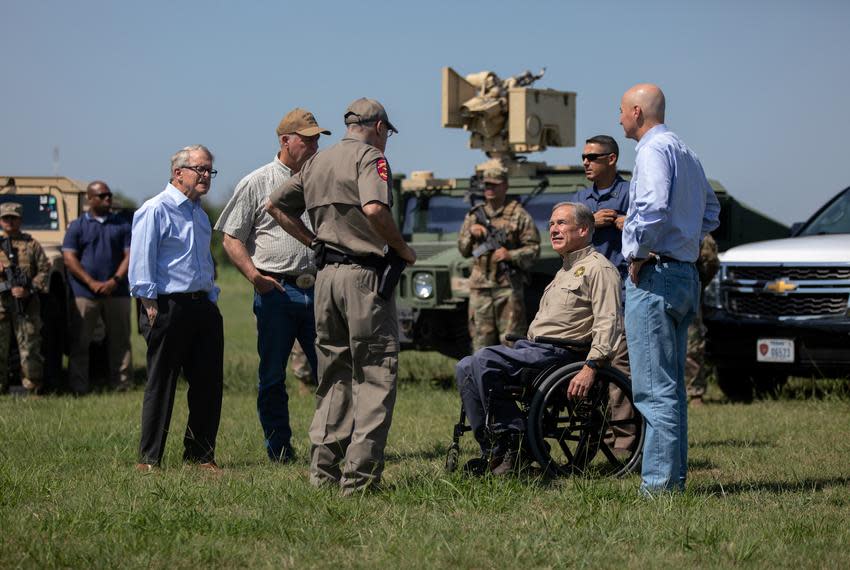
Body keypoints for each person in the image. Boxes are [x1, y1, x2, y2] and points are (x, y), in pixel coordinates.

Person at [267, 97, 416, 495]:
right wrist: (401, 249)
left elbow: (275, 205)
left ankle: (323, 476)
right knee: (375, 376)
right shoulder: (370, 158)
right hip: (363, 279)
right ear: (380, 127)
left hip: (326, 278)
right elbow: (373, 208)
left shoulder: (317, 161)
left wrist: (313, 241)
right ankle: (359, 483)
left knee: (333, 378)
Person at [456, 202, 624, 475]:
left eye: (561, 224)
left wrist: (591, 366)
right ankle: (495, 450)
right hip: (537, 350)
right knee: (465, 366)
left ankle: (517, 440)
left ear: (583, 229)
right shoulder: (564, 271)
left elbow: (609, 321)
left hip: (562, 356)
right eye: (551, 225)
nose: (554, 230)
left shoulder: (599, 269)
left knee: (485, 359)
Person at [619, 83, 720, 495]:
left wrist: (640, 250)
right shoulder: (686, 151)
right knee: (673, 387)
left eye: (622, 110)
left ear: (639, 112)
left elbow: (655, 205)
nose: (620, 118)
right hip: (685, 274)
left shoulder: (651, 150)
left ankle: (658, 487)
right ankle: (672, 479)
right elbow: (712, 211)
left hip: (656, 276)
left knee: (653, 388)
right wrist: (685, 238)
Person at [215, 108, 330, 462]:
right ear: (285, 141)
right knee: (272, 376)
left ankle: (329, 446)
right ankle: (279, 449)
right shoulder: (257, 182)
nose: (313, 145)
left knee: (331, 372)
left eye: (316, 139)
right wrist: (255, 278)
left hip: (320, 289)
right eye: (306, 139)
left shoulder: (322, 178)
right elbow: (231, 238)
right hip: (277, 291)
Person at [129, 145, 224, 472]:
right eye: (200, 169)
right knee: (162, 382)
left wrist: (211, 298)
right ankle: (149, 459)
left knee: (208, 383)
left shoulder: (200, 214)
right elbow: (142, 258)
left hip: (202, 306)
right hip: (167, 306)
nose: (206, 176)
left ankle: (200, 455)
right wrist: (148, 302)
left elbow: (203, 261)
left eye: (210, 170)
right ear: (177, 173)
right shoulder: (155, 209)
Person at [458, 166, 540, 351]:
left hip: (507, 287)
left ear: (505, 186)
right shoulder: (474, 216)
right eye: (487, 185)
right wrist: (471, 234)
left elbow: (534, 249)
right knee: (480, 341)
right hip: (480, 288)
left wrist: (510, 255)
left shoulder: (519, 215)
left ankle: (512, 380)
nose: (489, 189)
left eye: (494, 185)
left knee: (511, 341)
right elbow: (463, 250)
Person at [62, 181, 132, 395]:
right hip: (84, 293)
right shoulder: (77, 226)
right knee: (80, 341)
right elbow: (69, 258)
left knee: (120, 341)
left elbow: (130, 255)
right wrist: (91, 282)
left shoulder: (121, 225)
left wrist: (115, 280)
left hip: (117, 292)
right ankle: (78, 386)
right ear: (89, 199)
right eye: (102, 195)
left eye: (109, 195)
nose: (107, 199)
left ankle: (121, 385)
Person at [0, 202, 50, 395]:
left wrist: (29, 289)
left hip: (26, 305)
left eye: (13, 218)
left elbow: (44, 270)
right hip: (2, 305)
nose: (9, 222)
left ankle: (33, 387)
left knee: (30, 349)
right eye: (6, 218)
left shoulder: (31, 244)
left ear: (20, 219)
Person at [573, 135, 630, 280]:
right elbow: (563, 238)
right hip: (585, 283)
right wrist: (590, 222)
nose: (585, 162)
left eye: (592, 157)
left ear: (611, 159)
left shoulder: (632, 194)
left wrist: (630, 223)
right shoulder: (580, 199)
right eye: (583, 157)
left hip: (622, 283)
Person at [686, 233, 719, 406]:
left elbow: (711, 261)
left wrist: (699, 283)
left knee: (693, 345)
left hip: (689, 289)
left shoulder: (699, 232)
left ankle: (695, 392)